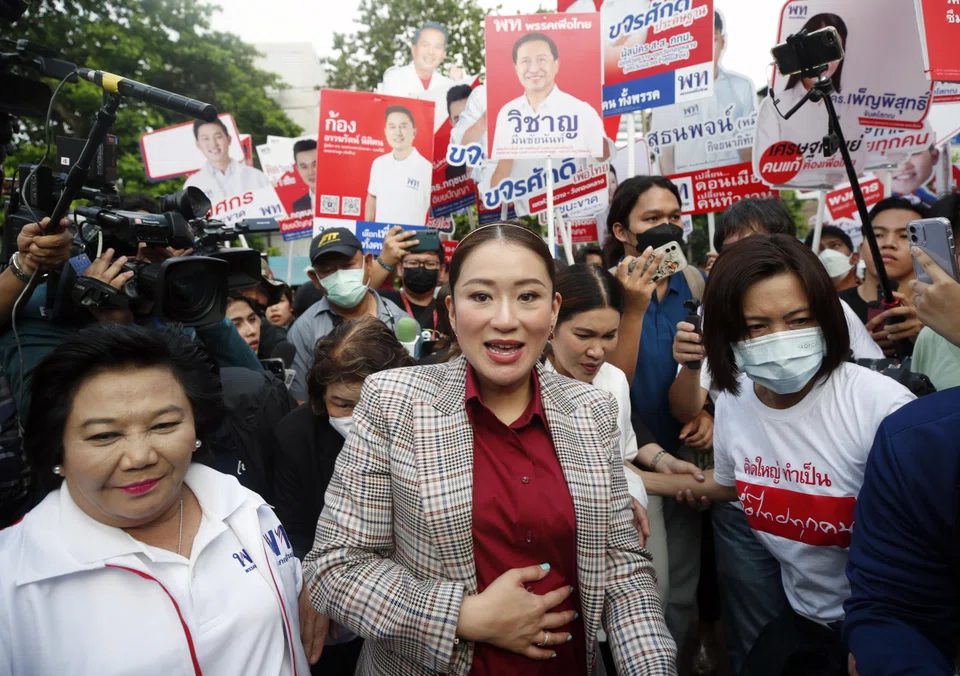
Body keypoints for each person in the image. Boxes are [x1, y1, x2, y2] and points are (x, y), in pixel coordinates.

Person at [304, 222, 676, 674]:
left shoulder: (592, 410)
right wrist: (464, 616)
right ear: (452, 311)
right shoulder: (395, 402)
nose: (505, 319)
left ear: (554, 309)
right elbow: (334, 568)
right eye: (481, 296)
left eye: (528, 296)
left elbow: (623, 569)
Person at [0, 324, 322, 674]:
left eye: (164, 426)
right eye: (105, 435)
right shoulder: (14, 579)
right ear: (56, 447)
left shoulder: (243, 507)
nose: (140, 456)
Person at [671, 235, 915, 673]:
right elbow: (734, 485)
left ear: (826, 318)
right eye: (756, 327)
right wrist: (638, 475)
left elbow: (927, 542)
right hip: (804, 619)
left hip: (891, 626)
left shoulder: (884, 409)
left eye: (799, 320)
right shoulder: (734, 399)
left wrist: (882, 636)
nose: (780, 341)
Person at [274, 316, 415, 673]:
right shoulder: (296, 437)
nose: (360, 419)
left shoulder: (427, 429)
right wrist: (315, 581)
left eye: (371, 403)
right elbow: (294, 530)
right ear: (321, 399)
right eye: (344, 404)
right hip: (334, 618)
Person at [287, 228, 405, 402]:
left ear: (368, 263)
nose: (340, 275)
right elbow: (300, 401)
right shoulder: (303, 331)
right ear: (315, 278)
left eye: (347, 266)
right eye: (328, 270)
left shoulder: (400, 321)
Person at [753, 13, 867, 188]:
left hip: (842, 196)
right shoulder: (774, 106)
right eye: (817, 49)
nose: (826, 61)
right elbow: (768, 168)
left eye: (833, 50)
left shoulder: (850, 106)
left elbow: (858, 163)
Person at [652, 10, 757, 175]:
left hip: (733, 186)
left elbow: (747, 146)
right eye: (699, 41)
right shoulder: (668, 93)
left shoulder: (741, 87)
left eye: (713, 40)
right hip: (690, 191)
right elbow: (665, 154)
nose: (707, 48)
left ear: (722, 42)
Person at [491, 32, 605, 161]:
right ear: (516, 68)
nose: (533, 69)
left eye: (542, 60)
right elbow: (496, 167)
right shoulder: (507, 114)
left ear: (556, 64)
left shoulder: (583, 112)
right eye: (525, 61)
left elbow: (602, 166)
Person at [839, 197, 927, 357]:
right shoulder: (834, 307)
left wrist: (928, 337)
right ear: (861, 249)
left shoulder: (941, 310)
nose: (888, 243)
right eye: (878, 235)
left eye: (905, 236)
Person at [379, 21, 469, 131]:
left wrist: (459, 84)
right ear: (414, 49)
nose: (430, 52)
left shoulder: (449, 85)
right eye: (425, 45)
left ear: (443, 54)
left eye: (437, 47)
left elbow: (459, 125)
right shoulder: (394, 78)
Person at [364, 106, 433, 226]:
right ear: (386, 131)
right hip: (381, 239)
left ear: (414, 131)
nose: (398, 132)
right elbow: (372, 197)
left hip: (412, 240)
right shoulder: (379, 164)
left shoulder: (426, 168)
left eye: (403, 126)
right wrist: (367, 229)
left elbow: (434, 210)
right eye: (392, 127)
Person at [184, 118, 273, 208]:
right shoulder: (192, 185)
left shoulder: (257, 177)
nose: (213, 143)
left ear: (229, 139)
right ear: (198, 144)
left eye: (218, 137)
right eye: (206, 139)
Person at [380, 238, 446, 339]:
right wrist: (384, 261)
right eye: (413, 263)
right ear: (400, 268)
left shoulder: (449, 311)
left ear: (442, 271)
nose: (421, 268)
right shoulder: (382, 303)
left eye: (430, 264)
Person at [805, 224, 860, 292]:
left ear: (854, 258)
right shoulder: (806, 301)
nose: (827, 253)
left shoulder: (873, 296)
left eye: (835, 245)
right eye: (818, 249)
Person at [292, 139, 318, 214]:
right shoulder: (298, 205)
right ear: (297, 169)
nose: (311, 172)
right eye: (304, 167)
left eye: (315, 165)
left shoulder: (343, 197)